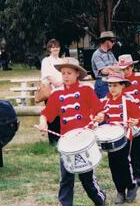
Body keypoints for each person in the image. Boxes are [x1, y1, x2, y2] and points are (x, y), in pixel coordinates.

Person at [37, 57, 106, 206]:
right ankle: (65, 203)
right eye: (63, 73)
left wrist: (100, 116)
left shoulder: (86, 90)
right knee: (66, 176)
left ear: (77, 74)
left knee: (86, 178)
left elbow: (99, 110)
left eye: (69, 73)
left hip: (83, 140)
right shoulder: (56, 94)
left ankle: (100, 200)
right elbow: (46, 113)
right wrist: (43, 123)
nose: (65, 76)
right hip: (67, 142)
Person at [101, 71, 140, 204]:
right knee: (113, 165)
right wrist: (98, 117)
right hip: (109, 138)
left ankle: (131, 186)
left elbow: (139, 118)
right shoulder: (104, 101)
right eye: (109, 85)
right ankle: (120, 190)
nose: (112, 88)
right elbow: (98, 115)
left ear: (122, 86)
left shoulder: (128, 101)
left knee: (124, 162)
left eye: (115, 85)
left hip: (125, 136)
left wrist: (135, 121)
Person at [117, 54, 140, 186]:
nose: (125, 72)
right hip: (123, 117)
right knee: (124, 147)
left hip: (138, 117)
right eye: (122, 69)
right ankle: (128, 173)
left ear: (132, 66)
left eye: (127, 68)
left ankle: (139, 173)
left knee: (137, 147)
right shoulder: (117, 81)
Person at [40, 39, 63, 144]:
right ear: (49, 49)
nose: (55, 49)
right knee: (52, 117)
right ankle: (53, 141)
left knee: (61, 116)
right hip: (51, 92)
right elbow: (47, 75)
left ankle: (61, 139)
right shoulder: (46, 61)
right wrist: (57, 83)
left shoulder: (62, 61)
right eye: (53, 47)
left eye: (57, 46)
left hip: (62, 92)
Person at [91, 31, 118, 98]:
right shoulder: (97, 55)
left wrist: (111, 68)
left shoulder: (110, 53)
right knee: (105, 104)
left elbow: (117, 65)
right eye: (113, 41)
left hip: (112, 81)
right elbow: (104, 71)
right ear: (107, 42)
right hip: (102, 84)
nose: (114, 43)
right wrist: (114, 69)